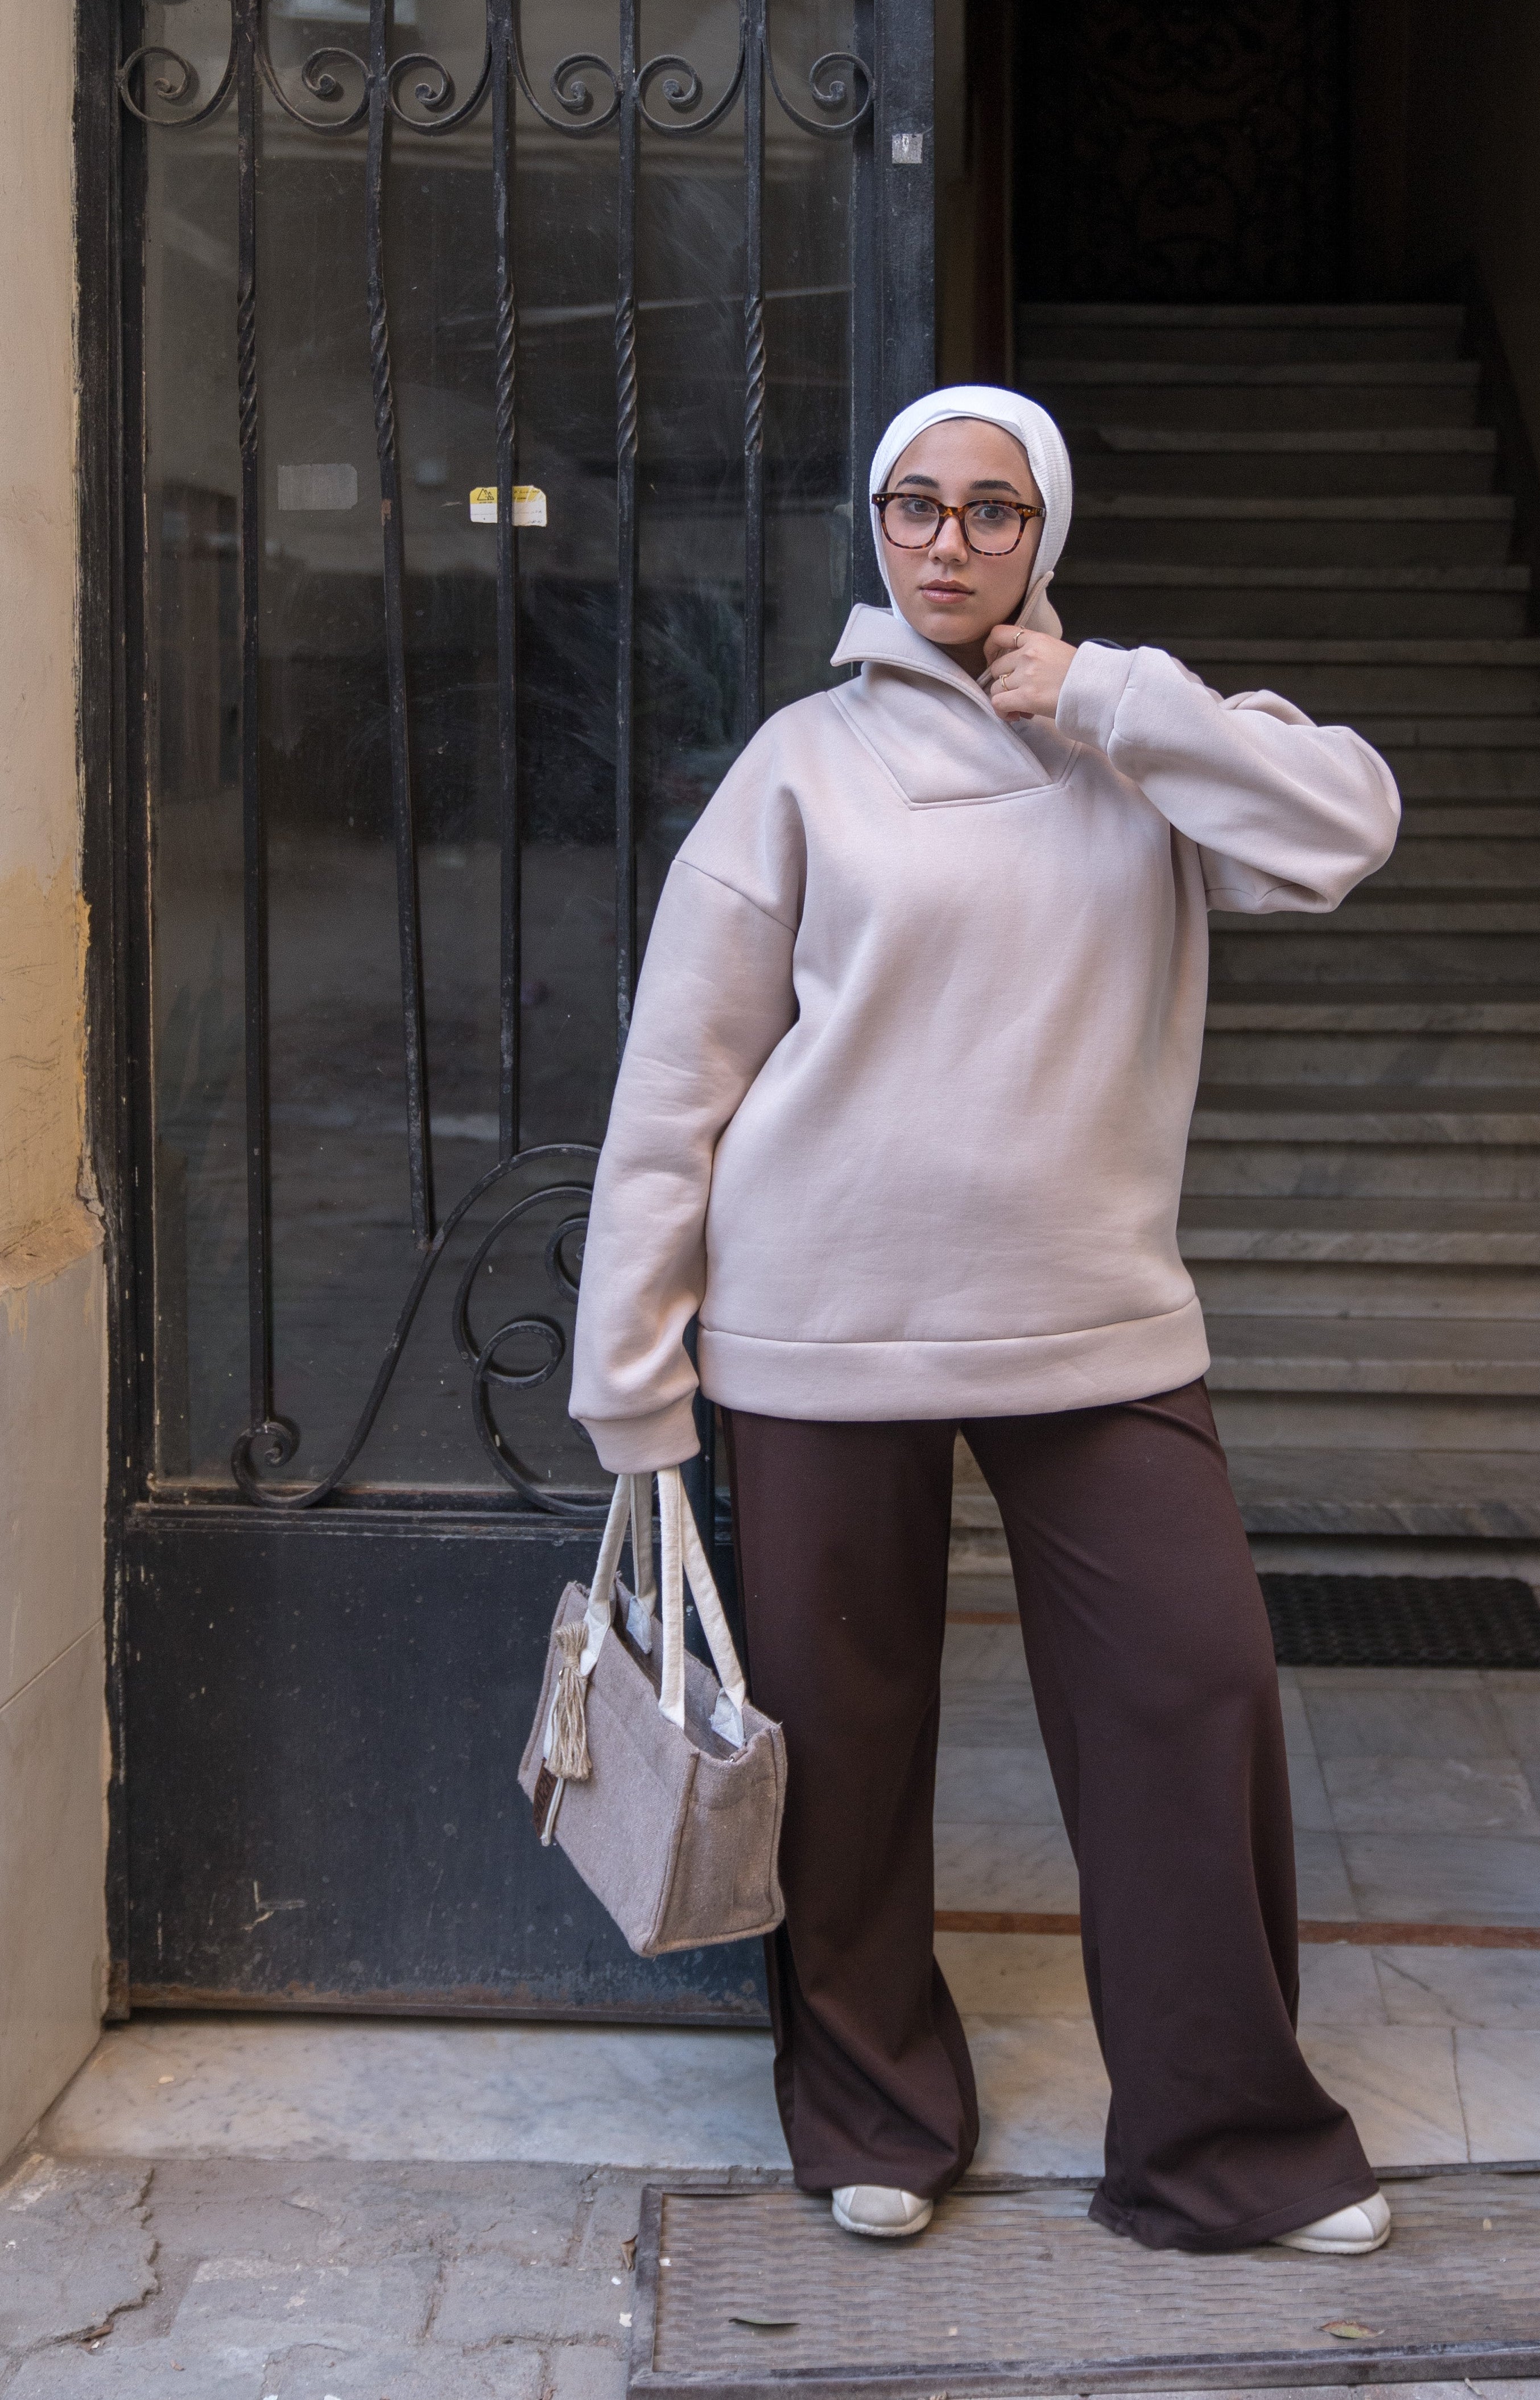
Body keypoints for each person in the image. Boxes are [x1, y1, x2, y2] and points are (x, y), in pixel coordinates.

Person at [569, 384, 1402, 2257]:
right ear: (878, 525)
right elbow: (677, 1076)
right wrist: (635, 1367)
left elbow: (1347, 823)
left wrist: (1101, 696)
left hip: (1096, 1318)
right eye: (916, 504)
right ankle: (875, 2103)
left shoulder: (1143, 748)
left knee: (1194, 1696)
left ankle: (1229, 2138)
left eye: (993, 511)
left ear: (1048, 532)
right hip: (815, 1323)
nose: (948, 540)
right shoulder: (801, 761)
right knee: (842, 1743)